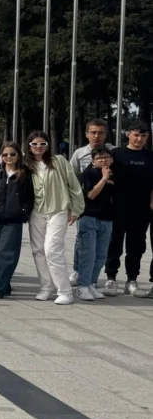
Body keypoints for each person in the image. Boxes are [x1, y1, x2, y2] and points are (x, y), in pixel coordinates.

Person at [26, 131, 84, 305]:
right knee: (38, 250)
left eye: (42, 144)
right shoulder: (26, 164)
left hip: (58, 209)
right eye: (34, 144)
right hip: (36, 211)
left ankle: (65, 291)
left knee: (52, 249)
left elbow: (73, 184)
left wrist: (76, 209)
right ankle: (46, 287)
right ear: (29, 146)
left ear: (48, 145)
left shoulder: (58, 161)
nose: (38, 147)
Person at [0, 142, 35, 300]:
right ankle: (4, 285)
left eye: (12, 154)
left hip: (13, 221)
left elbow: (30, 197)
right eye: (5, 154)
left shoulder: (25, 174)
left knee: (6, 253)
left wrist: (23, 212)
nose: (8, 157)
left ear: (18, 156)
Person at [104, 121, 153, 296]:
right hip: (117, 208)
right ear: (128, 134)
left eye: (143, 136)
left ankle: (132, 280)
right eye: (136, 135)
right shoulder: (116, 154)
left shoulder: (150, 157)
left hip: (141, 211)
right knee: (114, 245)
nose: (139, 139)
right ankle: (111, 278)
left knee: (136, 247)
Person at [67, 119, 113, 287]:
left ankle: (91, 279)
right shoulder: (79, 154)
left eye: (100, 132)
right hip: (86, 208)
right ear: (87, 134)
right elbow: (71, 179)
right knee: (83, 243)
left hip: (106, 211)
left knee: (100, 249)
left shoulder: (112, 152)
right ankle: (78, 271)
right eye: (93, 132)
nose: (96, 136)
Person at [76, 147, 114, 301]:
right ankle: (82, 286)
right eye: (99, 158)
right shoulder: (89, 173)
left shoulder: (113, 174)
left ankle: (92, 283)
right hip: (89, 218)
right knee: (88, 253)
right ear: (93, 161)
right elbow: (91, 194)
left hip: (107, 219)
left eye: (106, 157)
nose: (103, 160)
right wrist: (104, 179)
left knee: (101, 255)